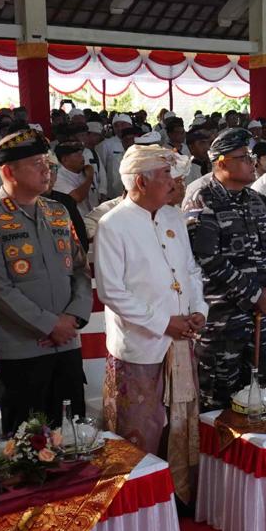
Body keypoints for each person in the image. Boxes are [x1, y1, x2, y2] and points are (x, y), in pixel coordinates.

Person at [96, 145, 205, 502]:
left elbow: (190, 269)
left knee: (180, 421)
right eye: (164, 175)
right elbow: (112, 291)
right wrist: (163, 322)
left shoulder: (173, 217)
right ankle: (137, 503)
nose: (173, 182)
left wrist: (198, 308)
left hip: (181, 337)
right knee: (140, 428)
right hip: (140, 345)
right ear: (141, 181)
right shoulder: (114, 224)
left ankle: (178, 497)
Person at [0, 131, 92, 434]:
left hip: (68, 347)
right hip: (22, 352)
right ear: (8, 171)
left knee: (73, 436)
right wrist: (51, 325)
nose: (46, 169)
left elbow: (80, 271)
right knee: (27, 447)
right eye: (36, 163)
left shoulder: (57, 212)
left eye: (47, 163)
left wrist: (72, 318)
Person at [184, 128, 266, 408]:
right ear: (221, 163)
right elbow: (207, 258)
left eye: (251, 156)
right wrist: (255, 294)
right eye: (243, 157)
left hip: (256, 315)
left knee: (257, 394)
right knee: (219, 402)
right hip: (221, 320)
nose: (252, 162)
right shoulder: (201, 198)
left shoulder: (257, 200)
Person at [52, 139, 97, 216]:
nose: (82, 158)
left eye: (81, 154)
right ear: (65, 160)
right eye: (77, 155)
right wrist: (89, 177)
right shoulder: (58, 177)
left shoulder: (84, 171)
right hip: (78, 222)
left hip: (94, 218)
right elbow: (77, 197)